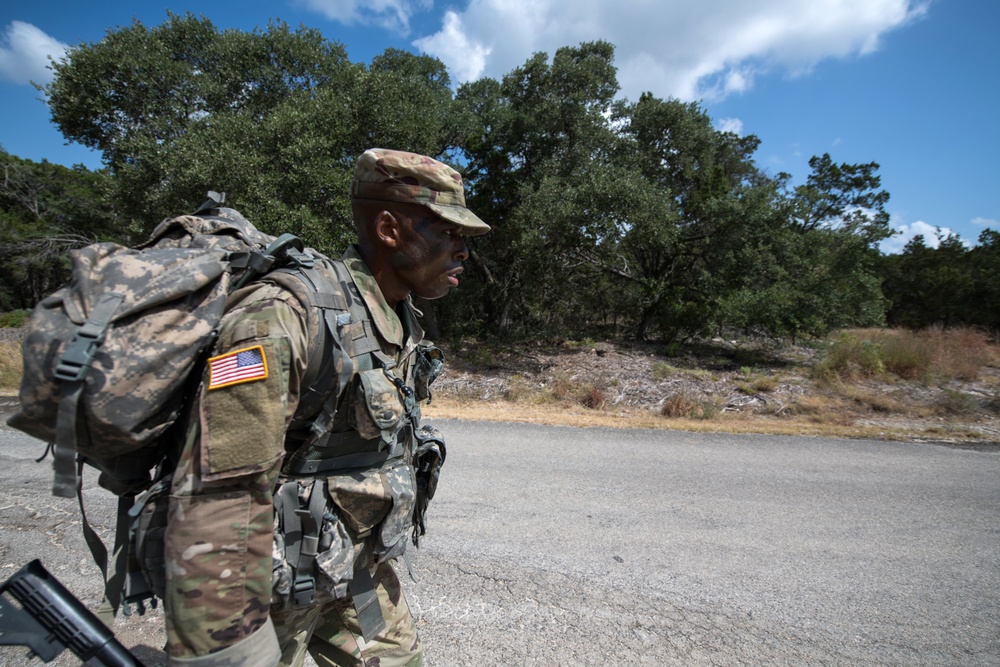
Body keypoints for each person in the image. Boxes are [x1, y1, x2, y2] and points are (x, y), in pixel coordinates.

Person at [162, 148, 490, 667]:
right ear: (388, 228)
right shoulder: (283, 316)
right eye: (449, 232)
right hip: (271, 590)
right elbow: (215, 494)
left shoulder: (398, 317)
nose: (462, 252)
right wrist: (223, 649)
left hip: (351, 570)